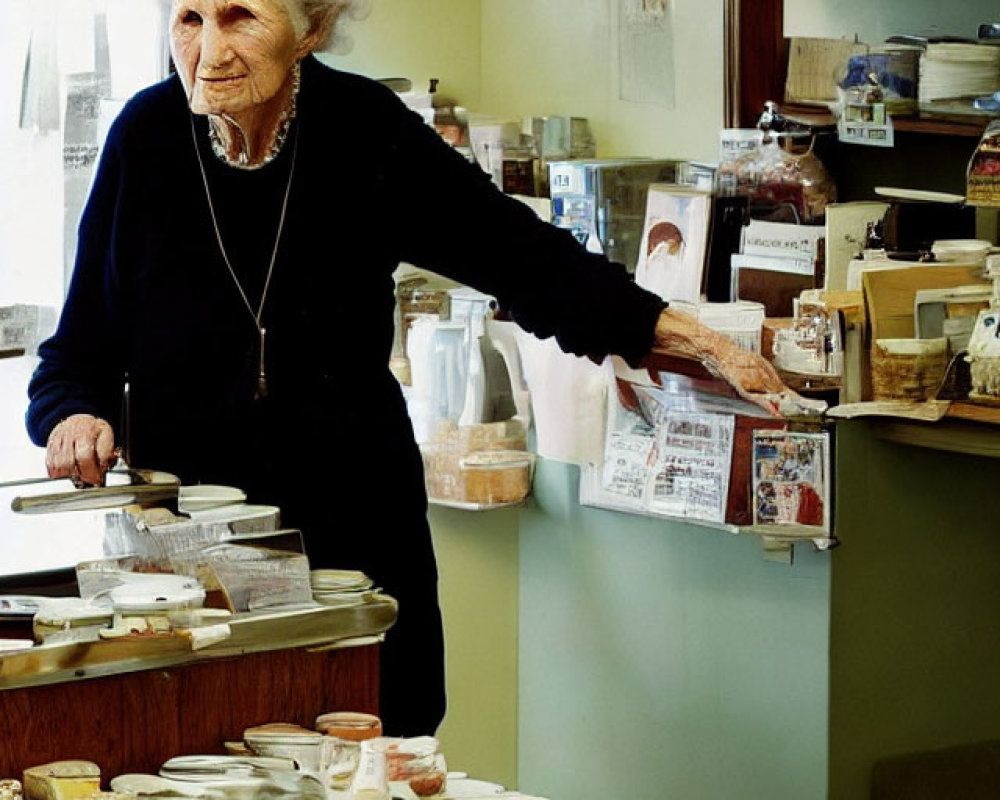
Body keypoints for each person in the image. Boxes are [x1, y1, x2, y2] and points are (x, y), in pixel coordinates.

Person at [25, 0, 792, 737]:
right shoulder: (147, 138)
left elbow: (523, 260)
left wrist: (691, 337)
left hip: (354, 528)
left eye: (241, 18)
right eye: (189, 20)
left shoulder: (363, 130)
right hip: (191, 555)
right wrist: (74, 416)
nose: (210, 51)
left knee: (382, 746)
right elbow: (77, 354)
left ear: (311, 29)